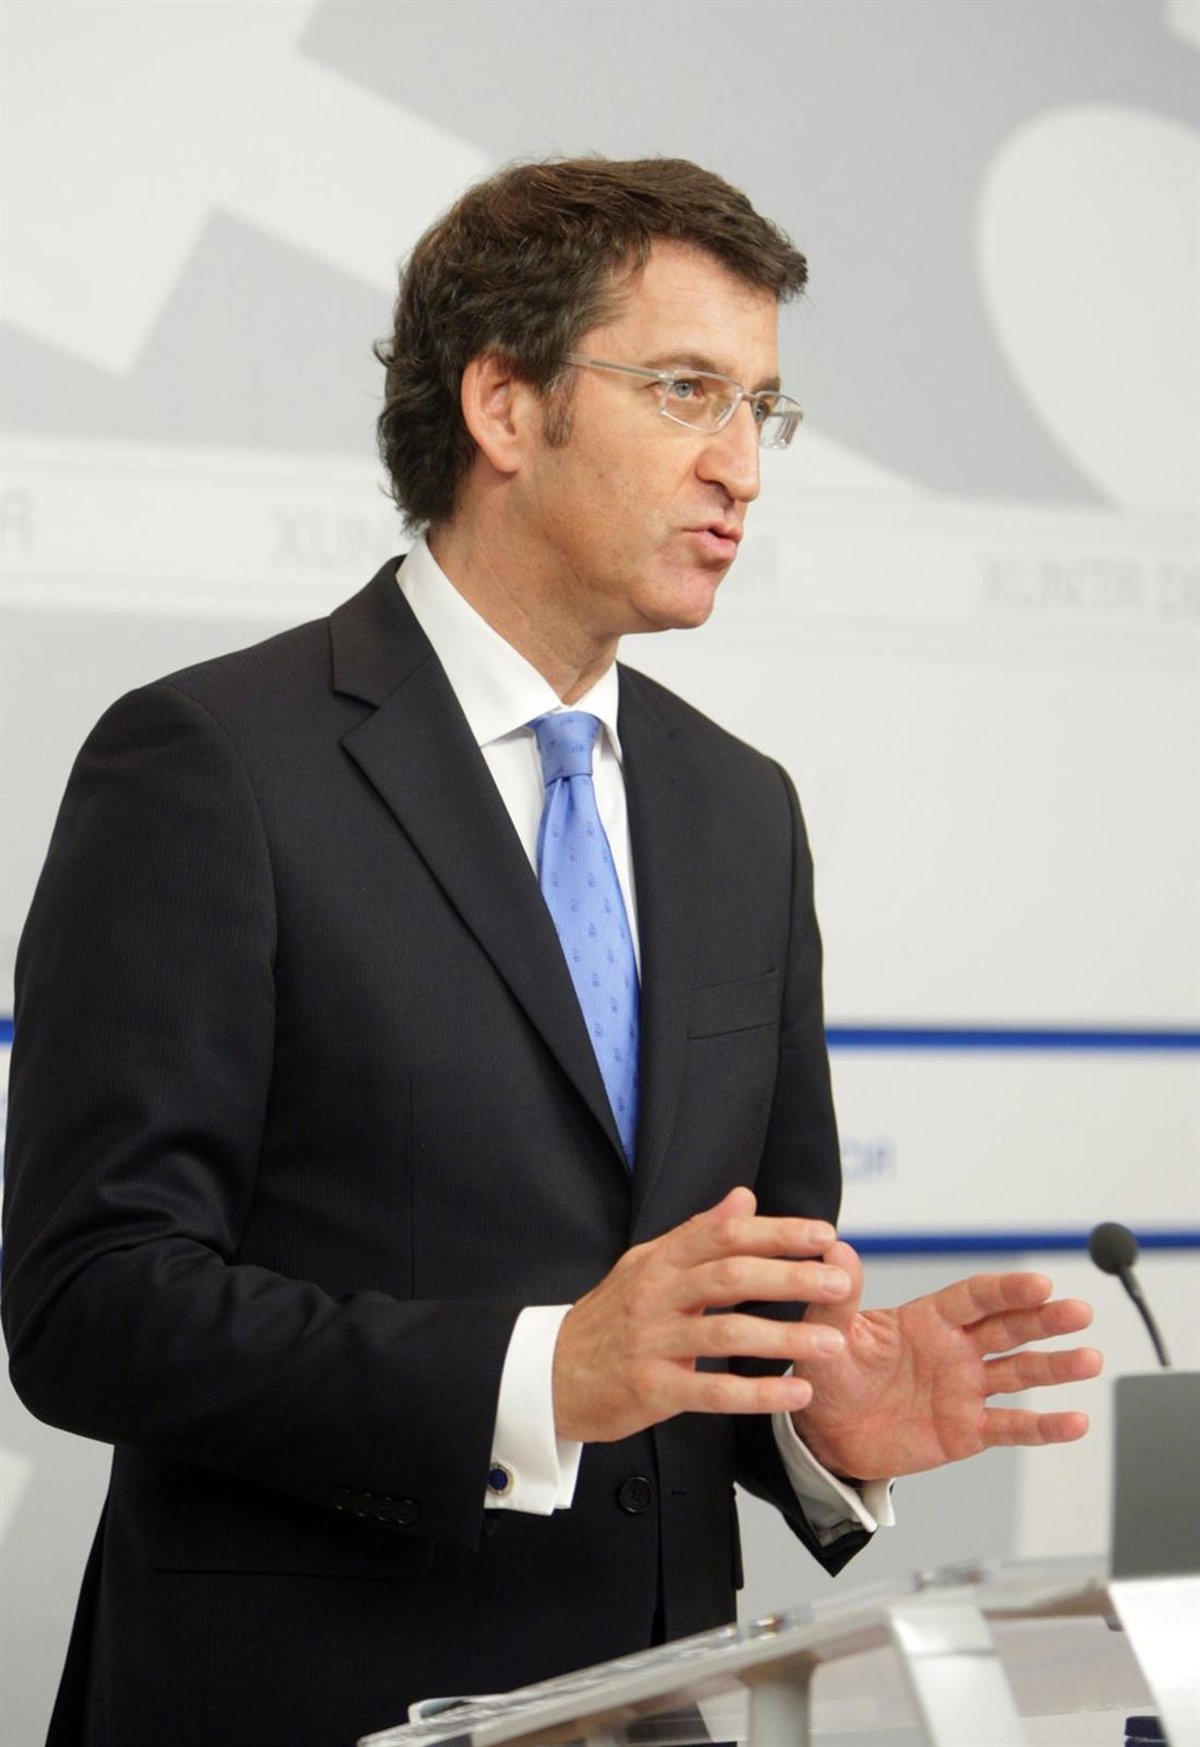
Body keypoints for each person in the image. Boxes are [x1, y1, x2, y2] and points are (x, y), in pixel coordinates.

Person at [2, 158, 1100, 1747]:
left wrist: (816, 1421)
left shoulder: (740, 810)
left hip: (658, 1701)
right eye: (687, 392)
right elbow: (92, 1304)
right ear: (505, 407)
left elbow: (722, 1303)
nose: (742, 468)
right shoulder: (212, 765)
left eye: (762, 409)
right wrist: (535, 1375)